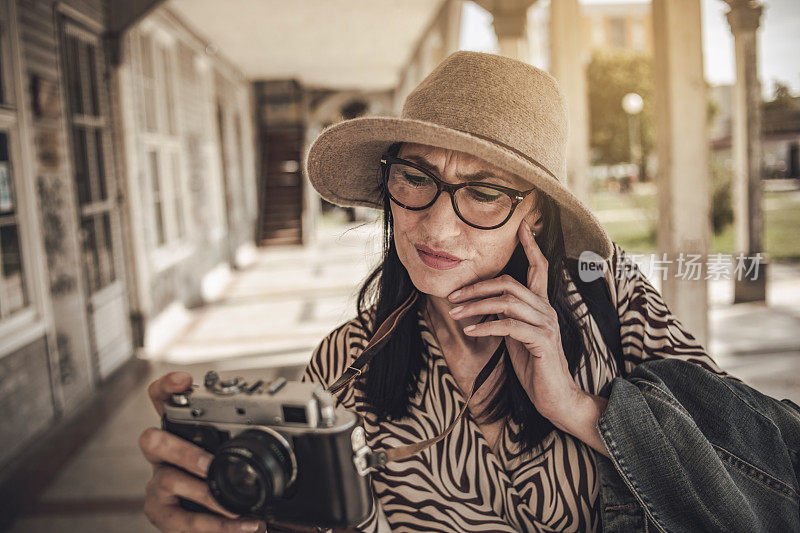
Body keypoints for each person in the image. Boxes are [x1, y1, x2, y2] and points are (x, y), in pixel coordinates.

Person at [139, 51, 737, 532]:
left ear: (534, 215)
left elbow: (739, 478)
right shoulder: (345, 366)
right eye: (416, 177)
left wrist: (580, 409)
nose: (437, 225)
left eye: (483, 192)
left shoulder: (612, 303)